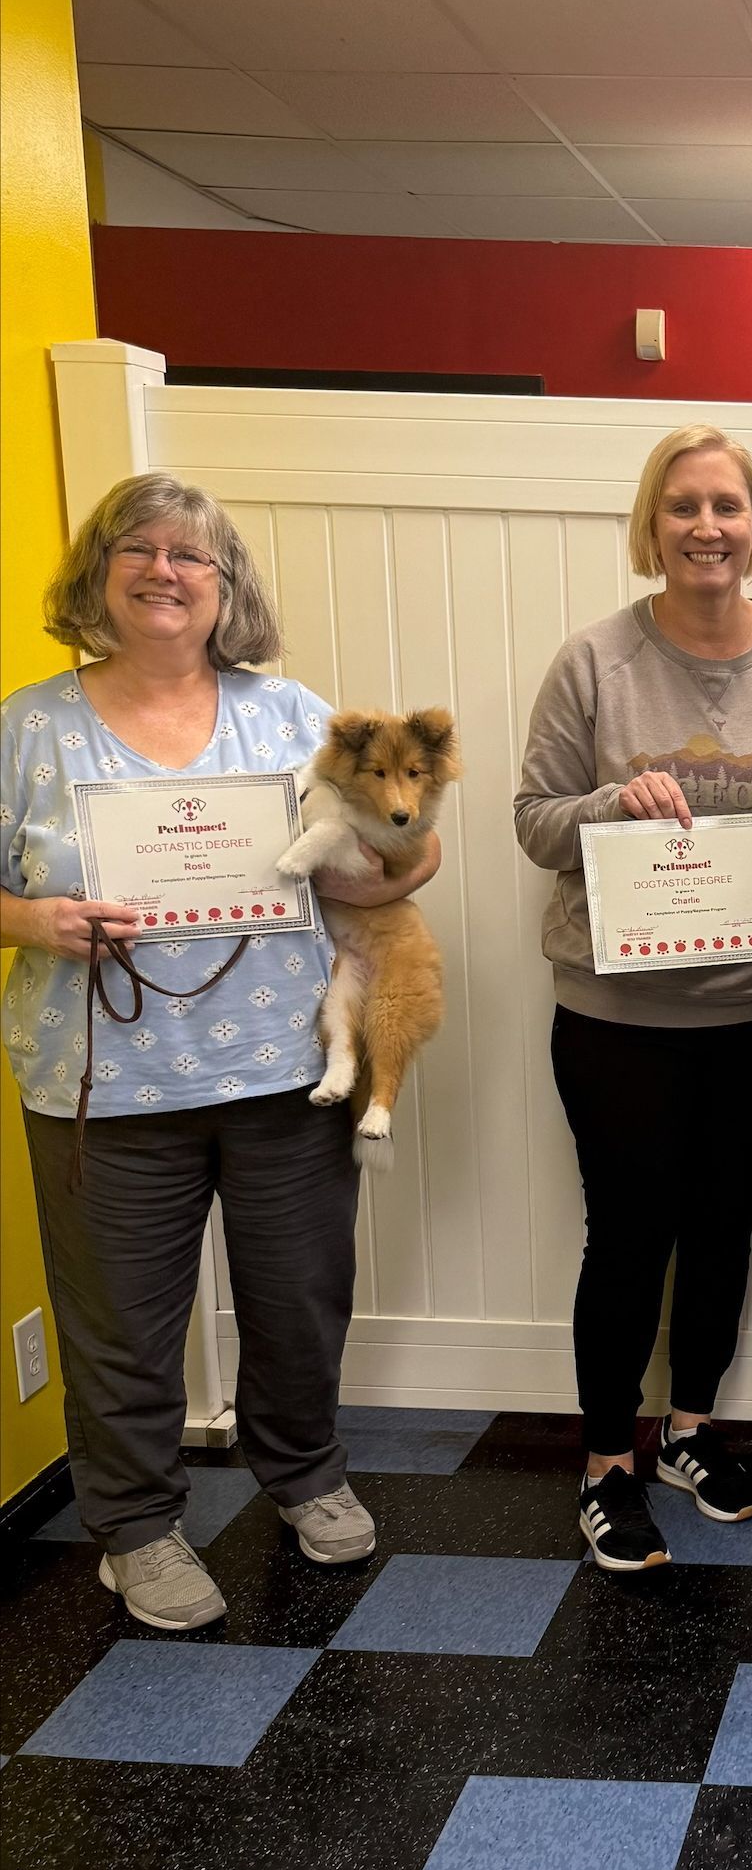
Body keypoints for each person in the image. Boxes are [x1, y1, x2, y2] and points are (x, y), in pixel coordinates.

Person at [1, 474, 434, 1630]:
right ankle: (136, 1529)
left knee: (298, 1298)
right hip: (101, 1078)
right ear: (98, 572)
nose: (164, 570)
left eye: (192, 555)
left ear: (225, 583)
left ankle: (306, 1473)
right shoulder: (28, 725)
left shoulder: (292, 715)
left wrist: (397, 857)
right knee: (120, 1319)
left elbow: (396, 852)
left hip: (285, 1070)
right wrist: (30, 919)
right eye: (136, 549)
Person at [514, 424, 752, 1572]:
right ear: (651, 525)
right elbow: (532, 820)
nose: (707, 527)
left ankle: (689, 1431)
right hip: (616, 1017)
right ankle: (608, 1460)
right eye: (683, 506)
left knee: (722, 1229)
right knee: (627, 1233)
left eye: (727, 506)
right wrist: (610, 801)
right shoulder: (592, 660)